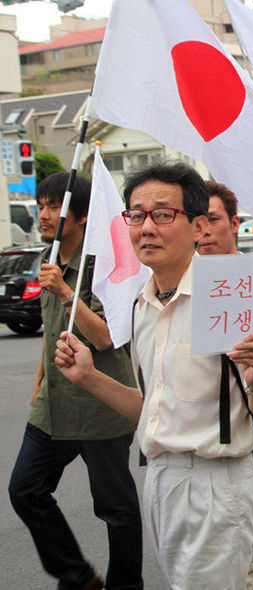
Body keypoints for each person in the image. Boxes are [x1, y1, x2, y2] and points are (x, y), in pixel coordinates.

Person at [54, 162, 253, 590]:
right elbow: (152, 408)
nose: (146, 228)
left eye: (162, 214)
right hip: (160, 480)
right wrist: (88, 377)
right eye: (136, 215)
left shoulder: (226, 296)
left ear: (198, 227)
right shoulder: (142, 305)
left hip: (217, 483)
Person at [8, 172, 143, 590]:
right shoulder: (51, 256)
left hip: (100, 403)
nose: (44, 215)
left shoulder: (103, 261)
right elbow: (51, 330)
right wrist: (38, 385)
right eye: (42, 206)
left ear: (83, 217)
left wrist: (68, 292)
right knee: (25, 490)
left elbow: (106, 336)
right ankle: (78, 576)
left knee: (115, 509)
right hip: (54, 404)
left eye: (54, 207)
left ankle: (125, 585)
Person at [196, 181, 253, 590]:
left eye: (212, 219)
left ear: (234, 223)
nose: (203, 231)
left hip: (249, 457)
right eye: (194, 221)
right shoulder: (175, 286)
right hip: (194, 463)